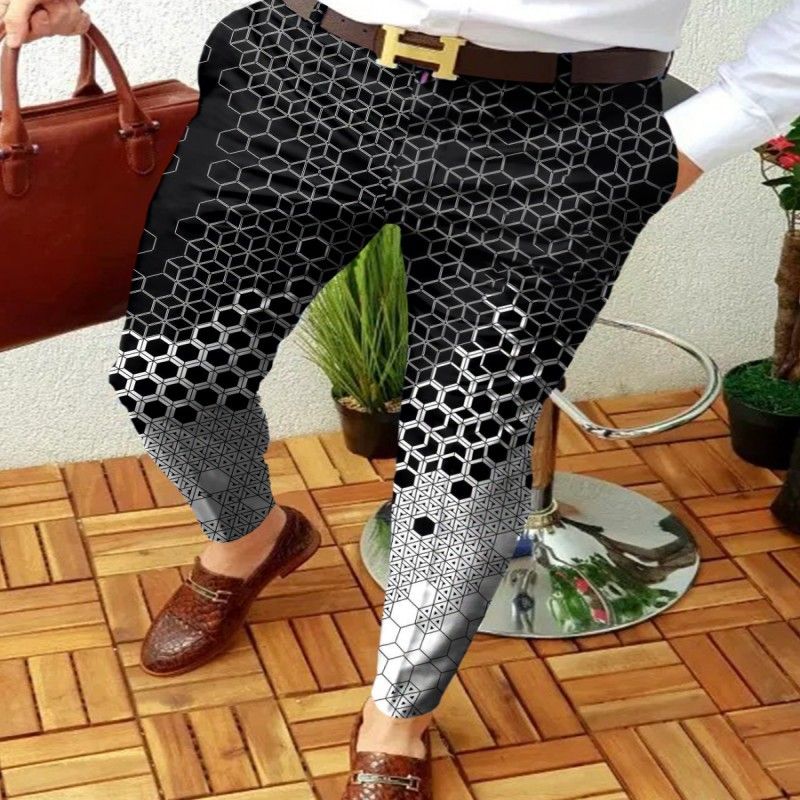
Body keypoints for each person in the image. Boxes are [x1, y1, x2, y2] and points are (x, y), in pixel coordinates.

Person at [5, 1, 798, 798]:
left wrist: (712, 126)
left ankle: (397, 716)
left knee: (466, 451)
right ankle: (249, 540)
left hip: (560, 129)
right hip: (304, 68)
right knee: (170, 372)